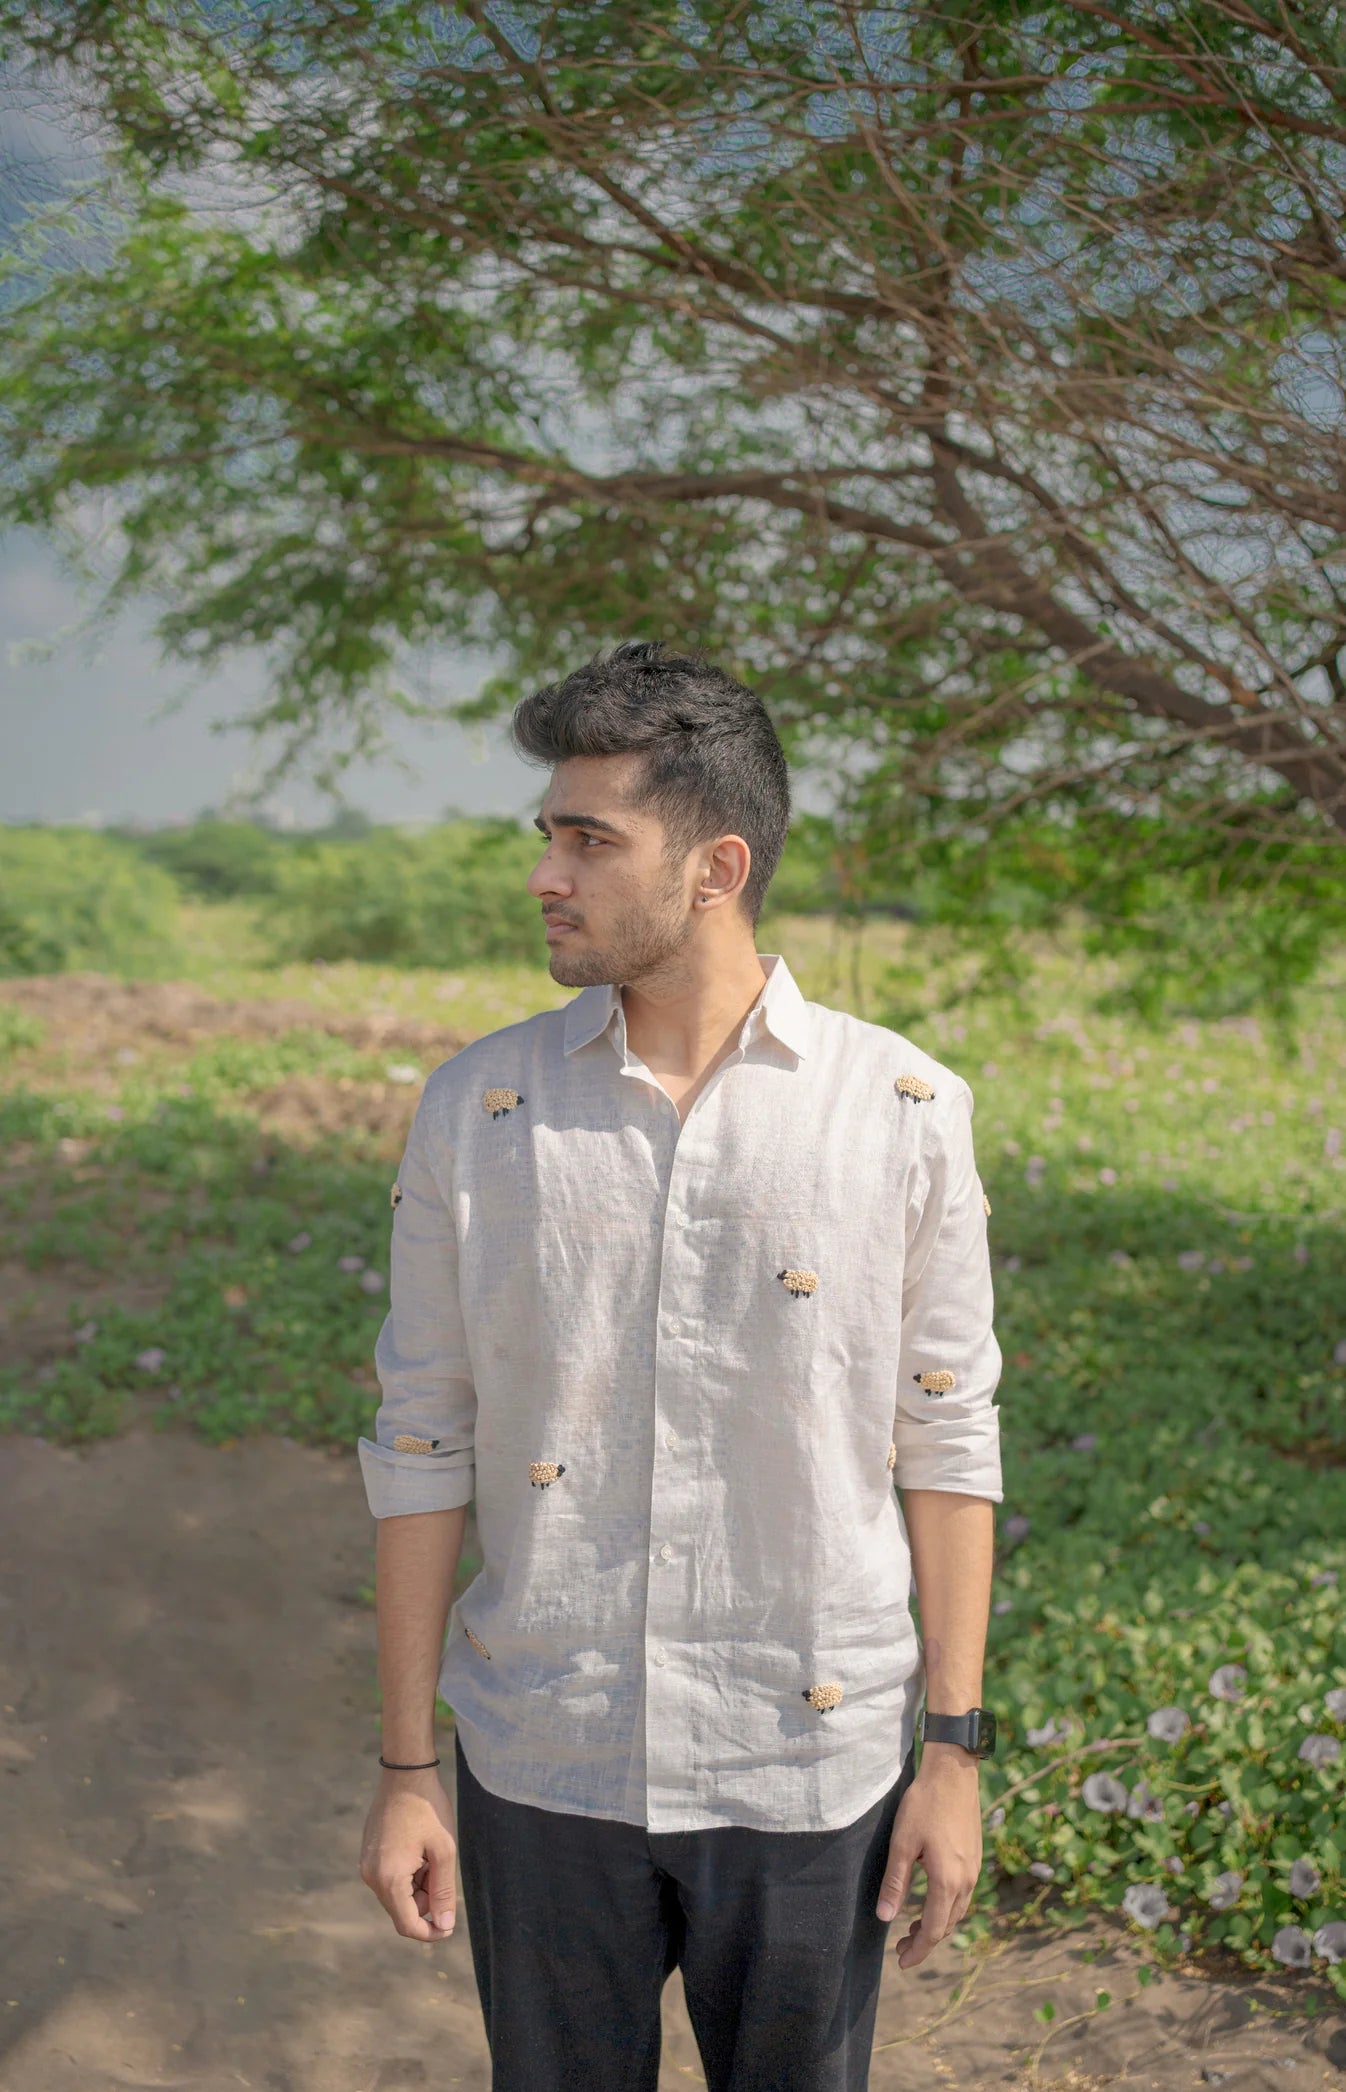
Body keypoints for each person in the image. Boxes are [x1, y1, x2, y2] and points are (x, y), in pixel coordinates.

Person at [356, 640, 1004, 2092]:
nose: (546, 875)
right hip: (542, 1755)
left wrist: (951, 1755)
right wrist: (406, 1770)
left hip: (807, 1767)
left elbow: (948, 1438)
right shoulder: (478, 1108)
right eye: (547, 835)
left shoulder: (902, 1109)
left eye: (591, 841)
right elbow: (422, 1438)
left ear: (717, 868)